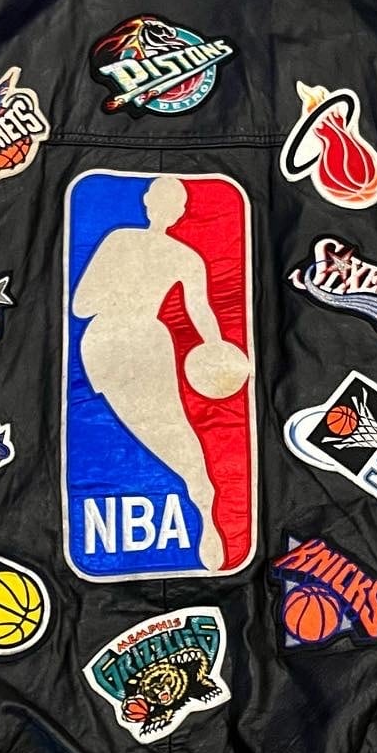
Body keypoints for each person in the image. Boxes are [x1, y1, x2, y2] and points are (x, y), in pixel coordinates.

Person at [72, 174, 247, 570]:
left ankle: (200, 495)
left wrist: (217, 351)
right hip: (135, 340)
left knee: (161, 427)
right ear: (176, 211)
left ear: (149, 204)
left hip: (114, 340)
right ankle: (201, 494)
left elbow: (82, 306)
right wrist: (216, 348)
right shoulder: (179, 255)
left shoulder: (122, 241)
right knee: (168, 427)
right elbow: (201, 314)